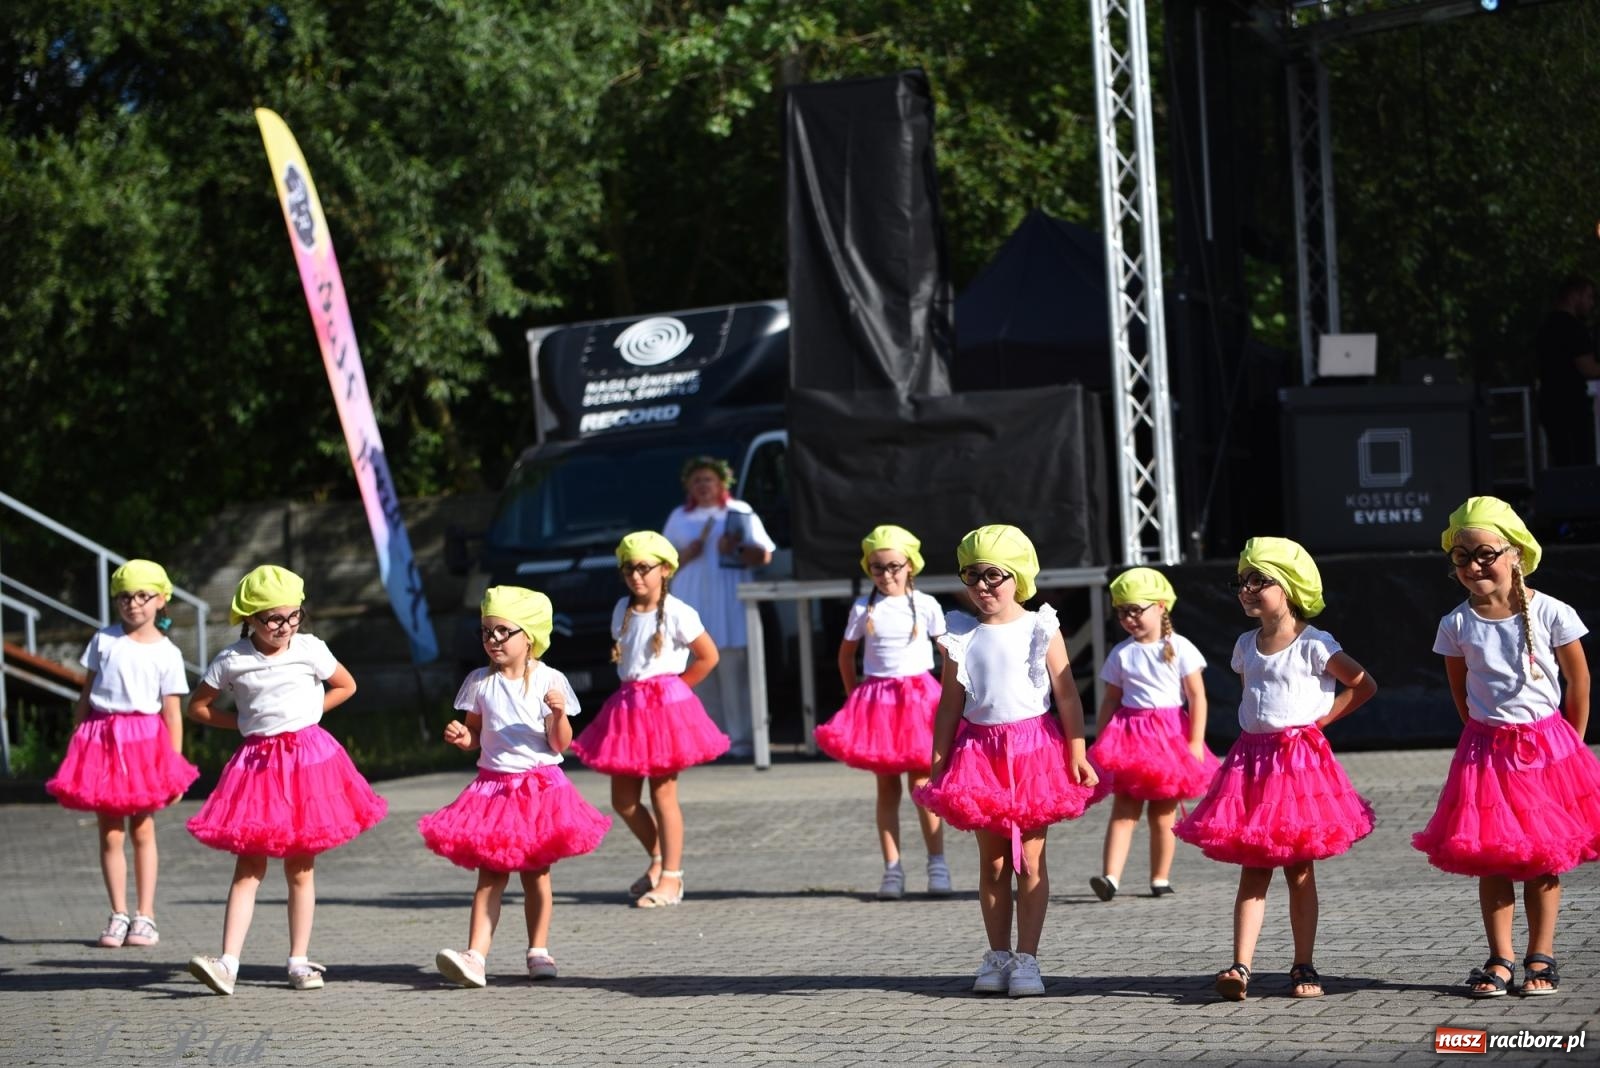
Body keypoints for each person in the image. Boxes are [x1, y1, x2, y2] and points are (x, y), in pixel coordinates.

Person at [1174, 538, 1377, 1002]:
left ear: (1288, 588)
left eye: (1257, 581)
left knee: (1299, 868)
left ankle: (1303, 963)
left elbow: (1363, 684)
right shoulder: (1245, 644)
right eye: (1241, 581)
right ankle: (1240, 965)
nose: (1245, 589)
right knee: (1254, 867)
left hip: (1298, 767)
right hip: (1251, 763)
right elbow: (1255, 697)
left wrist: (1321, 720)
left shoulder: (1315, 644)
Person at [1413, 497, 1600, 998]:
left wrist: (1574, 746)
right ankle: (1500, 958)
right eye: (1461, 557)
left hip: (1548, 751)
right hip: (1487, 753)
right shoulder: (1456, 623)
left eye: (1485, 553)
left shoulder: (1552, 611)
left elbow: (1579, 682)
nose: (1474, 566)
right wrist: (1480, 736)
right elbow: (1460, 690)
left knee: (1543, 857)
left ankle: (1542, 953)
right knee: (1492, 856)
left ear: (1515, 552)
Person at [183, 565, 387, 995]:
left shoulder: (310, 648)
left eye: (293, 616)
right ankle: (228, 964)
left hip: (309, 763)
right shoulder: (233, 660)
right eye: (273, 619)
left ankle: (298, 961)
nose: (285, 626)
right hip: (257, 768)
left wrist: (309, 714)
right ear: (250, 619)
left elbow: (346, 686)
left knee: (300, 867)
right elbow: (197, 708)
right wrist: (241, 723)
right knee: (249, 866)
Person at [912, 525, 1097, 997]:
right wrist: (939, 760)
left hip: (1034, 751)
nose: (982, 586)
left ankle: (1028, 959)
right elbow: (950, 705)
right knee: (993, 863)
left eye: (993, 574)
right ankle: (997, 955)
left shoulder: (1041, 625)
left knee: (1030, 860)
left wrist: (1077, 750)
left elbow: (1067, 694)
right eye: (971, 575)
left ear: (1017, 575)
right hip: (979, 754)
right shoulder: (961, 634)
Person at [421, 586, 611, 986]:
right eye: (486, 632)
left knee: (536, 873)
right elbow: (476, 735)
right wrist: (462, 739)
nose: (492, 640)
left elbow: (559, 743)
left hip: (540, 790)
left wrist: (558, 714)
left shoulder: (548, 680)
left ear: (530, 636)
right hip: (493, 790)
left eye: (502, 632)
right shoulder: (479, 683)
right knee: (490, 874)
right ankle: (475, 956)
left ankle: (538, 949)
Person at [46, 560, 199, 949]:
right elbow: (86, 696)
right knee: (110, 831)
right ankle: (118, 913)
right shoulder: (103, 640)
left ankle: (145, 916)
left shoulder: (167, 652)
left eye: (143, 596)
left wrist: (173, 766)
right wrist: (76, 742)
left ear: (161, 600)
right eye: (125, 597)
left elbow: (171, 713)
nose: (133, 604)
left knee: (142, 829)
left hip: (145, 743)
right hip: (101, 740)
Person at [570, 532, 724, 909]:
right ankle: (659, 859)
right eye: (628, 569)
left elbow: (708, 656)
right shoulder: (622, 607)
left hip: (663, 712)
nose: (636, 576)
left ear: (665, 569)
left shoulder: (677, 611)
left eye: (644, 568)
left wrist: (677, 692)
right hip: (628, 710)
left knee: (662, 795)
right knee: (623, 800)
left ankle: (672, 877)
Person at [815, 524, 951, 900]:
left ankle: (937, 863)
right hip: (878, 702)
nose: (887, 575)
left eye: (894, 566)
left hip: (919, 697)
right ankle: (892, 868)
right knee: (886, 787)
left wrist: (956, 695)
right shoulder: (863, 607)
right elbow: (846, 654)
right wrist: (853, 696)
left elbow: (946, 654)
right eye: (878, 568)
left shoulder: (926, 605)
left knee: (923, 785)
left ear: (911, 566)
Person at [1085, 567, 1218, 902]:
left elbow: (1197, 696)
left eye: (1136, 610)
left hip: (1169, 736)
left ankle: (1160, 877)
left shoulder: (1180, 647)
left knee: (1163, 813)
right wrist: (1101, 741)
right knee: (1124, 810)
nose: (1130, 619)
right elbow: (1111, 700)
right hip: (1130, 737)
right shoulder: (1122, 653)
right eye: (1122, 612)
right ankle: (1110, 877)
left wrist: (1195, 741)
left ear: (1161, 606)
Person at [661, 455, 775, 760]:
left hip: (730, 602)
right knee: (699, 674)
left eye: (708, 479)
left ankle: (741, 739)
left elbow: (765, 556)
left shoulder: (739, 512)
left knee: (734, 672)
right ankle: (709, 740)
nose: (703, 486)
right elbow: (662, 567)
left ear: (722, 483)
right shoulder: (678, 517)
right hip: (692, 603)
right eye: (696, 480)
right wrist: (687, 553)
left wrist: (736, 548)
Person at [1534, 274, 1600, 467]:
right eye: (1589, 297)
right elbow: (1589, 369)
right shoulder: (1573, 328)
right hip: (1572, 406)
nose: (1591, 304)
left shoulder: (1546, 326)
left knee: (1562, 460)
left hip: (1550, 402)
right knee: (1580, 462)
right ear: (1574, 295)